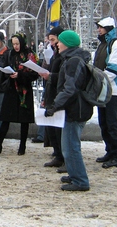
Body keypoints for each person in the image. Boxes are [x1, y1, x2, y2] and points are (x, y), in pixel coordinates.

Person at [45, 30, 93, 191]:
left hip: (75, 109)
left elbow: (70, 89)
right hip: (76, 108)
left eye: (60, 41)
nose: (57, 44)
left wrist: (54, 106)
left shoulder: (73, 61)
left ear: (68, 44)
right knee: (68, 146)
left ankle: (80, 180)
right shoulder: (73, 59)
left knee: (71, 147)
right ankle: (74, 174)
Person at [0, 33, 39, 156]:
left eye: (17, 44)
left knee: (24, 120)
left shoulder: (30, 54)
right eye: (14, 44)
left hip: (24, 90)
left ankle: (22, 146)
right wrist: (7, 73)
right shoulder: (10, 54)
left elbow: (35, 73)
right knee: (5, 117)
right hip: (11, 89)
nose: (16, 46)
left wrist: (20, 75)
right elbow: (5, 68)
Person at [93, 17, 117, 168]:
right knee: (104, 123)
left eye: (101, 27)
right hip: (104, 88)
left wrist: (100, 81)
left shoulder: (116, 44)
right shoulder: (103, 44)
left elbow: (114, 68)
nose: (99, 30)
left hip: (113, 89)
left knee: (112, 123)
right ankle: (110, 151)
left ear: (109, 29)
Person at [39, 26, 66, 169]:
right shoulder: (56, 53)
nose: (52, 43)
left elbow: (64, 76)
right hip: (51, 90)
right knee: (51, 127)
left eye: (53, 40)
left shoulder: (65, 56)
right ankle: (57, 153)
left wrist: (50, 75)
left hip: (59, 93)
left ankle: (63, 156)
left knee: (59, 128)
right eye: (50, 40)